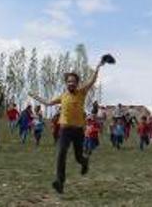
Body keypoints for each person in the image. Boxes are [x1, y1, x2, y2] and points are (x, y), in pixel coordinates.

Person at [29, 54, 109, 194]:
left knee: (78, 157)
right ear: (66, 83)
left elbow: (92, 81)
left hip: (78, 131)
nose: (71, 83)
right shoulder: (63, 96)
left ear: (77, 83)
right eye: (68, 81)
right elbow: (48, 103)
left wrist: (97, 67)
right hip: (64, 130)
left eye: (73, 81)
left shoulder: (81, 92)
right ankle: (60, 182)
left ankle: (84, 162)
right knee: (61, 154)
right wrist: (36, 97)